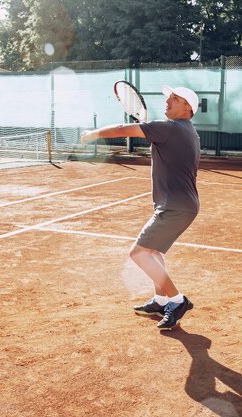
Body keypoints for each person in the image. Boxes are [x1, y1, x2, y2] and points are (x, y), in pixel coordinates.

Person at [81, 85, 201, 330]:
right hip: (179, 205)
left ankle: (177, 301)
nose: (168, 100)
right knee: (154, 252)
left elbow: (121, 129)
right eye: (168, 97)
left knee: (138, 253)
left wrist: (91, 134)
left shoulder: (169, 128)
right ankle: (160, 301)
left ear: (187, 107)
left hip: (175, 207)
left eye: (174, 98)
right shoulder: (188, 131)